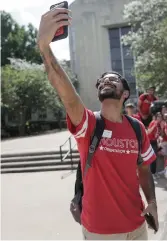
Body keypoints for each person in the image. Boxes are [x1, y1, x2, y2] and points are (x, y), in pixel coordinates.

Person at [37, 8, 158, 240]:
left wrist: (151, 202)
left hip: (137, 226)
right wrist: (45, 48)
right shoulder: (89, 123)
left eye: (113, 79)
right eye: (102, 80)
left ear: (125, 94)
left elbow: (143, 167)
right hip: (100, 232)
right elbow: (67, 95)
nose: (105, 80)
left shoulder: (136, 128)